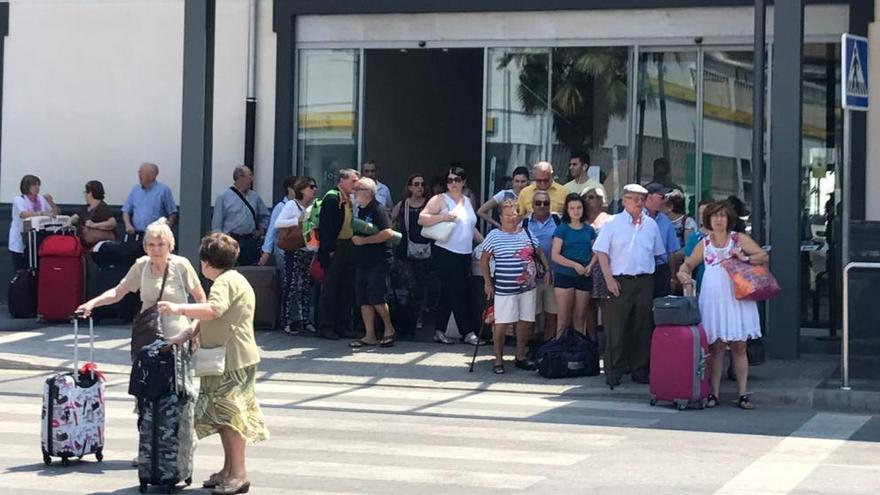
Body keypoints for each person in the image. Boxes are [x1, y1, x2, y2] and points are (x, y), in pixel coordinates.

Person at [76, 218, 206, 467]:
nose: (156, 249)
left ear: (170, 245)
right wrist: (92, 303)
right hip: (148, 342)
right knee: (146, 395)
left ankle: (179, 451)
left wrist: (193, 328)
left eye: (161, 244)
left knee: (179, 397)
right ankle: (149, 449)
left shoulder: (181, 266)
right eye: (151, 244)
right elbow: (118, 291)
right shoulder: (141, 266)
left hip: (177, 341)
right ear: (145, 246)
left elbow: (201, 299)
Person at [159, 232, 269, 495]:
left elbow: (213, 310)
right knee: (225, 417)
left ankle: (238, 474)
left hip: (230, 360)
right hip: (232, 358)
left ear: (206, 262)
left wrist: (178, 309)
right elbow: (213, 313)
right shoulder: (233, 279)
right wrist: (187, 333)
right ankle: (229, 470)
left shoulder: (223, 283)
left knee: (231, 419)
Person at [677, 201, 768, 410]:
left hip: (736, 297)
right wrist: (683, 272)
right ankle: (713, 393)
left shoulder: (738, 239)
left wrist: (743, 257)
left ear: (729, 219)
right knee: (715, 347)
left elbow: (762, 255)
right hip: (713, 298)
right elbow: (689, 262)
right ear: (708, 219)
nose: (719, 220)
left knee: (739, 345)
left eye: (723, 216)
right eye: (715, 216)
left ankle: (743, 394)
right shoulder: (704, 243)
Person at [593, 184, 666, 386]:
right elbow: (601, 252)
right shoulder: (612, 223)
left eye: (642, 199)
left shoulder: (651, 224)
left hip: (644, 280)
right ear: (624, 200)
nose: (639, 203)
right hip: (619, 279)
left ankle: (639, 370)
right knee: (616, 328)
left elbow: (658, 252)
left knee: (642, 327)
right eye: (634, 199)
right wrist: (608, 279)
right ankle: (613, 371)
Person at [480, 199, 548, 374]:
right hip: (504, 288)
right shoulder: (494, 235)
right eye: (507, 215)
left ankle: (520, 357)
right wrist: (487, 282)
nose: (511, 218)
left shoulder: (526, 232)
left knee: (525, 322)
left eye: (514, 214)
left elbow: (539, 251)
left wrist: (547, 269)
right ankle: (498, 359)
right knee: (501, 324)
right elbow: (484, 259)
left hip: (528, 287)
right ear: (500, 217)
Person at [419, 166, 484, 345]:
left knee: (449, 292)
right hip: (445, 251)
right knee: (459, 292)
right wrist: (443, 217)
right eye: (449, 180)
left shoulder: (467, 200)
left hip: (464, 253)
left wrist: (486, 244)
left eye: (457, 180)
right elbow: (422, 218)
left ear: (463, 182)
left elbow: (471, 228)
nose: (453, 183)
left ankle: (439, 330)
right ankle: (467, 332)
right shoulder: (439, 199)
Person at [348, 177, 396, 348]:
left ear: (367, 192)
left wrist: (365, 241)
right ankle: (369, 334)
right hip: (362, 261)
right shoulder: (360, 210)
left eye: (358, 189)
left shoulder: (378, 209)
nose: (354, 193)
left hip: (379, 260)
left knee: (377, 298)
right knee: (363, 299)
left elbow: (388, 233)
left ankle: (389, 329)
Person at [317, 168, 360, 340]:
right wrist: (329, 250)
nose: (356, 184)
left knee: (346, 288)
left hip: (348, 246)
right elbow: (326, 228)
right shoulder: (332, 198)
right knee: (330, 289)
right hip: (335, 247)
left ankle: (342, 325)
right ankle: (326, 326)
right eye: (353, 181)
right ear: (341, 181)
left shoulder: (348, 199)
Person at [274, 176, 318, 335]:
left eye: (315, 187)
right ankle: (287, 321)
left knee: (305, 286)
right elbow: (278, 223)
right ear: (302, 189)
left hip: (307, 250)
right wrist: (298, 220)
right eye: (311, 187)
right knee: (291, 285)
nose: (314, 190)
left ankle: (305, 320)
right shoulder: (292, 205)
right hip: (293, 249)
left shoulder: (313, 206)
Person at [551, 193, 598, 339]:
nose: (576, 211)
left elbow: (596, 252)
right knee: (563, 319)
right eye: (572, 208)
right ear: (567, 210)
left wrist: (590, 266)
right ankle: (560, 352)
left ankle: (579, 352)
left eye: (578, 208)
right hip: (564, 275)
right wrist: (574, 265)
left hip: (584, 276)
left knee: (580, 318)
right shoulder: (562, 229)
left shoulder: (589, 230)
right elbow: (555, 255)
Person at [391, 173, 432, 329]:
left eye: (422, 184)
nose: (420, 187)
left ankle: (419, 316)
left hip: (425, 249)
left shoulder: (429, 204)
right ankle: (407, 316)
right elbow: (390, 220)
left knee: (422, 285)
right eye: (416, 184)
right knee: (408, 284)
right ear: (409, 187)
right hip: (405, 250)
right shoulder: (403, 205)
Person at [211, 166, 271, 266]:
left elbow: (265, 216)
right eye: (249, 176)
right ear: (240, 177)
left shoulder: (255, 197)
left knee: (251, 270)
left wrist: (261, 230)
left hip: (250, 241)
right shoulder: (223, 197)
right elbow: (217, 225)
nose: (251, 179)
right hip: (231, 241)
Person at [522, 190, 560, 343]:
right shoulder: (523, 223)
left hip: (554, 275)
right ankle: (533, 347)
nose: (542, 206)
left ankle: (547, 347)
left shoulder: (558, 221)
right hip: (531, 278)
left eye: (546, 203)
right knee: (531, 315)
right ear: (532, 205)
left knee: (552, 313)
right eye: (538, 203)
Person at [8, 174, 59, 270]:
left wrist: (51, 202)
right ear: (27, 187)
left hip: (38, 239)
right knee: (22, 269)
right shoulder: (19, 199)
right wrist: (42, 213)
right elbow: (23, 214)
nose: (37, 187)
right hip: (22, 239)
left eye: (38, 185)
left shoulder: (41, 198)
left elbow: (53, 213)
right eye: (34, 185)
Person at [583, 186, 613, 339]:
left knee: (606, 305)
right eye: (586, 197)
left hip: (604, 268)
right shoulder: (580, 220)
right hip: (585, 268)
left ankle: (609, 341)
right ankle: (592, 340)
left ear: (601, 201)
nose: (588, 200)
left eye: (592, 197)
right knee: (588, 305)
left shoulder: (610, 220)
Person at [643, 182, 681, 297]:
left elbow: (671, 252)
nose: (664, 201)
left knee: (662, 307)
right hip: (642, 270)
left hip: (661, 269)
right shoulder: (637, 217)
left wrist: (672, 277)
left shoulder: (665, 221)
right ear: (649, 197)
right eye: (661, 197)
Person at [122, 162, 178, 238]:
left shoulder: (164, 190)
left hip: (156, 236)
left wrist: (166, 229)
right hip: (137, 234)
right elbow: (126, 211)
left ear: (152, 175)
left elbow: (172, 213)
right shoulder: (135, 190)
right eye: (139, 172)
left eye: (142, 172)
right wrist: (128, 225)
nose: (139, 175)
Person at [260, 176, 297, 269]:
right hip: (283, 251)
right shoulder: (281, 207)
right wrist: (266, 251)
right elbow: (271, 230)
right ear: (290, 189)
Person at [71, 180, 117, 249]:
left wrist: (94, 225)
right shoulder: (86, 207)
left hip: (95, 247)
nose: (84, 194)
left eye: (85, 192)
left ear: (90, 193)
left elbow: (112, 223)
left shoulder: (102, 207)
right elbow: (77, 216)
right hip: (84, 246)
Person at [682, 199, 712, 293]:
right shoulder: (695, 238)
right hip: (702, 287)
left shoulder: (724, 236)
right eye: (700, 214)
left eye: (705, 213)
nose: (702, 217)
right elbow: (687, 266)